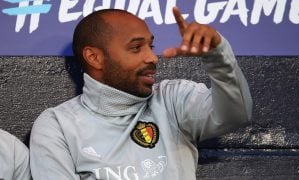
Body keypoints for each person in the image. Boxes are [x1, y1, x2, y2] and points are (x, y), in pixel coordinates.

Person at [30, 7, 252, 180]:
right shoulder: (56, 125)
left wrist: (217, 55)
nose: (152, 58)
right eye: (136, 48)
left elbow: (237, 114)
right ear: (95, 58)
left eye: (151, 47)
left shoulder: (172, 99)